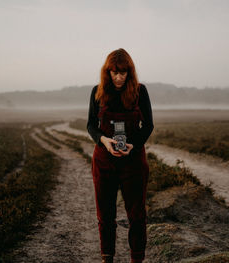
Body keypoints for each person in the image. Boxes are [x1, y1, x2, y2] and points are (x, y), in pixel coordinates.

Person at [87, 48, 154, 263]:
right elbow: (91, 125)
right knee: (105, 217)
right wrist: (104, 141)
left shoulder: (140, 91)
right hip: (104, 162)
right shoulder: (97, 91)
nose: (118, 77)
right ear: (107, 72)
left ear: (129, 72)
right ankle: (107, 258)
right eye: (114, 72)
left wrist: (133, 145)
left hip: (133, 163)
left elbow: (149, 125)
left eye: (123, 73)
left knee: (137, 217)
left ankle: (137, 259)